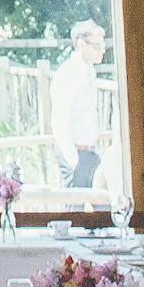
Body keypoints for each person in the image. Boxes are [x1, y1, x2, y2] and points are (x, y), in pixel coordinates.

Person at [49, 19, 112, 197]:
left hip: (89, 152)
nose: (102, 50)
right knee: (74, 208)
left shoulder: (88, 71)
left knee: (100, 205)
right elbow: (60, 117)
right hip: (75, 152)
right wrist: (72, 157)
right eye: (97, 45)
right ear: (81, 44)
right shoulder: (70, 72)